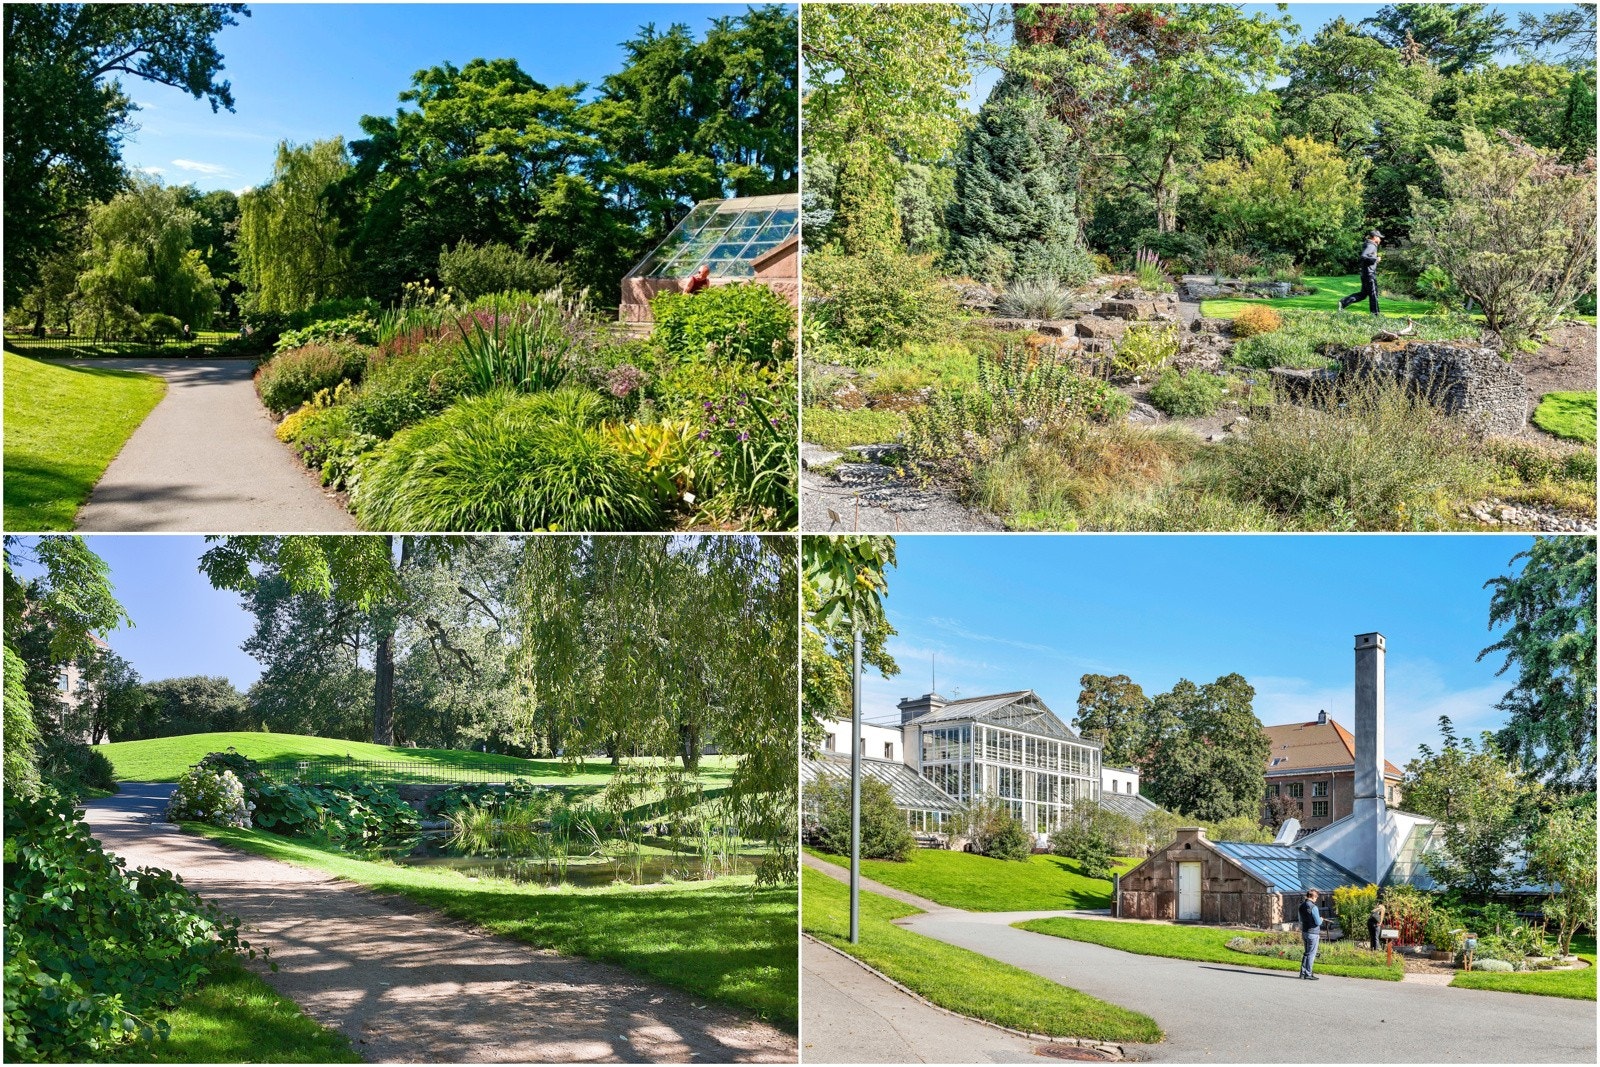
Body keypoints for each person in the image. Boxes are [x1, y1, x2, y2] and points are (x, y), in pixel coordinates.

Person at [1338, 230, 1383, 314]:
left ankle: (1343, 302)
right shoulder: (1371, 246)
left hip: (1366, 274)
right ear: (1375, 237)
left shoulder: (1369, 245)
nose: (1380, 239)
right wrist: (1375, 259)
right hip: (1369, 274)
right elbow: (1363, 256)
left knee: (1363, 295)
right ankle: (1375, 315)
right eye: (1379, 237)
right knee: (1373, 295)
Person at [1298, 889, 1323, 980]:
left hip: (1305, 931)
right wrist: (1321, 919)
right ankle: (1308, 973)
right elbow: (1318, 922)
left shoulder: (1302, 906)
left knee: (1306, 953)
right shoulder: (1313, 907)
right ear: (1313, 896)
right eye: (1316, 897)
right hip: (1313, 933)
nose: (1316, 899)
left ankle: (1303, 973)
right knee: (1311, 954)